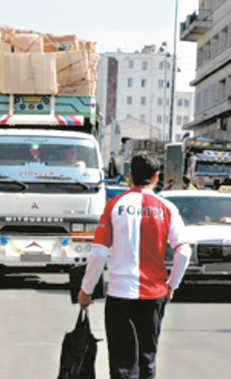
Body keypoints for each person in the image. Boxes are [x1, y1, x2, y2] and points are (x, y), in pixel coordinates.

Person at [78, 154, 191, 379]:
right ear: (156, 177)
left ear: (130, 176)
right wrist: (171, 285)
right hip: (154, 294)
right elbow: (184, 251)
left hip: (120, 294)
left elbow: (99, 252)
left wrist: (86, 290)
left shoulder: (114, 206)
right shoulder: (167, 208)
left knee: (122, 362)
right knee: (147, 358)